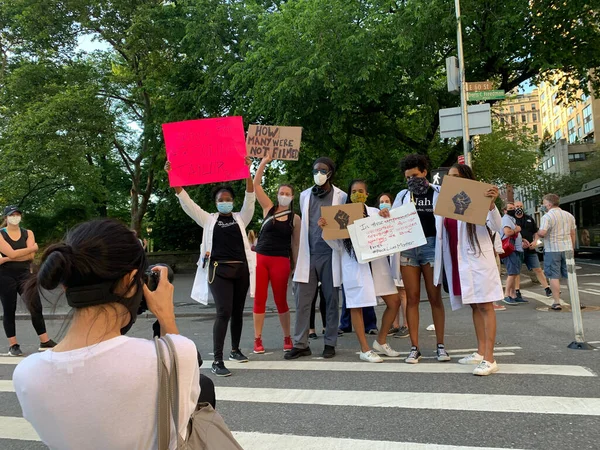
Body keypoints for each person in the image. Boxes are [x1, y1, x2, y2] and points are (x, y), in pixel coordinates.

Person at [13, 219, 216, 449]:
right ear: (130, 281)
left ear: (65, 285)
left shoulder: (26, 375)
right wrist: (166, 317)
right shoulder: (174, 355)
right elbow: (183, 419)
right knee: (204, 385)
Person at [165, 158, 255, 377]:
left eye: (228, 199)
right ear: (215, 202)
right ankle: (217, 360)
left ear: (233, 201)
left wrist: (246, 171)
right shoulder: (208, 220)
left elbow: (250, 198)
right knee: (223, 311)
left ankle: (235, 350)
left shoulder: (241, 218)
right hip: (219, 271)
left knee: (237, 312)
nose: (225, 201)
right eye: (220, 199)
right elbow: (188, 203)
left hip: (241, 270)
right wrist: (173, 176)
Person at [319, 180, 401, 362]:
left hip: (376, 264)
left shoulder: (374, 212)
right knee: (357, 306)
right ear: (349, 194)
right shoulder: (340, 215)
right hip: (354, 264)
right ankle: (365, 349)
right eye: (354, 191)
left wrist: (385, 215)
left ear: (367, 194)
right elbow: (337, 246)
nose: (357, 193)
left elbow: (388, 231)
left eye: (361, 191)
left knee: (394, 301)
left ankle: (380, 341)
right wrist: (326, 228)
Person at [380, 154, 450, 364]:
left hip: (430, 247)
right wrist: (386, 216)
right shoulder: (402, 196)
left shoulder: (438, 193)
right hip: (409, 250)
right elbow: (392, 222)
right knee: (411, 299)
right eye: (408, 177)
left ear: (425, 173)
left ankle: (440, 346)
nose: (412, 180)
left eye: (415, 175)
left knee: (434, 297)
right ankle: (414, 347)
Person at [435, 164, 503, 376]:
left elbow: (497, 226)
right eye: (450, 177)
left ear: (467, 179)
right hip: (460, 262)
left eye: (456, 176)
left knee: (485, 306)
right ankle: (480, 352)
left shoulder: (480, 199)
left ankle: (490, 359)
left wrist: (491, 205)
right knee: (475, 306)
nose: (452, 180)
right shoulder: (447, 203)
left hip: (479, 262)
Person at [285, 157, 345, 360]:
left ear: (330, 173)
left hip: (330, 253)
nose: (318, 173)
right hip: (308, 254)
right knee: (303, 300)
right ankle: (301, 343)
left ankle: (330, 342)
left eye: (323, 170)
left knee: (330, 299)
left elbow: (347, 223)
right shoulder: (304, 196)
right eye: (315, 170)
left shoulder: (341, 196)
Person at [252, 155, 301, 353]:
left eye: (287, 193)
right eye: (281, 192)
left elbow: (295, 244)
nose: (283, 195)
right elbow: (255, 185)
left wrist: (296, 266)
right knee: (260, 299)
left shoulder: (294, 218)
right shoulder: (268, 208)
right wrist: (264, 162)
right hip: (262, 258)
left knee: (281, 299)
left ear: (292, 197)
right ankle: (257, 339)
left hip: (281, 260)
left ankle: (287, 336)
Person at [0, 206, 55, 356]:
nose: (15, 217)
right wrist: (31, 249)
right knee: (9, 310)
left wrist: (7, 258)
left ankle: (45, 341)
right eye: (12, 215)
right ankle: (13, 345)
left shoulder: (28, 233)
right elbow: (17, 252)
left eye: (18, 214)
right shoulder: (1, 235)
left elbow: (30, 258)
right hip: (5, 276)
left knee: (35, 305)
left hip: (25, 274)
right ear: (6, 217)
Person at [537, 194, 577, 311]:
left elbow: (543, 233)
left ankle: (556, 302)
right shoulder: (569, 216)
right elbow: (573, 233)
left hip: (552, 249)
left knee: (554, 276)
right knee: (570, 275)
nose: (543, 206)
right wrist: (572, 248)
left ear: (549, 204)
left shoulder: (547, 217)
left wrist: (537, 233)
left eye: (544, 203)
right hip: (568, 248)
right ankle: (575, 300)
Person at [378, 193, 409, 338]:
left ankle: (406, 324)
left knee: (402, 292)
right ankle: (394, 324)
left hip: (399, 256)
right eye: (382, 202)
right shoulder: (378, 219)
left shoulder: (397, 216)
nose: (384, 203)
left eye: (387, 201)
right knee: (392, 293)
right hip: (386, 259)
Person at [514, 200, 551, 298]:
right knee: (516, 271)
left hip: (530, 249)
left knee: (538, 269)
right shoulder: (511, 219)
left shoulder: (529, 218)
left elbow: (536, 232)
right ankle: (517, 291)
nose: (519, 208)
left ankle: (547, 288)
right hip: (517, 249)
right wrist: (521, 241)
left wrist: (535, 242)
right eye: (517, 206)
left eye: (520, 206)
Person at [501, 202, 526, 306]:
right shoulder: (506, 219)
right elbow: (507, 233)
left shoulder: (512, 219)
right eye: (510, 208)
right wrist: (517, 229)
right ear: (505, 210)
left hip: (516, 248)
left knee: (515, 272)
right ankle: (507, 295)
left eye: (513, 208)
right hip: (511, 249)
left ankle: (513, 295)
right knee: (512, 273)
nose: (513, 209)